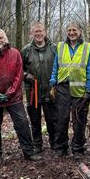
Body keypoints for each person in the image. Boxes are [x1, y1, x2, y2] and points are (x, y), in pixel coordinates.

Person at [0, 28, 42, 169]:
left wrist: (10, 92)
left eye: (1, 38)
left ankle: (28, 152)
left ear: (5, 39)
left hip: (13, 97)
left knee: (23, 123)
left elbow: (19, 75)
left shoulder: (15, 54)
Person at [49, 21, 90, 160]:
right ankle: (61, 147)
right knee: (61, 119)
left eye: (74, 30)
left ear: (80, 31)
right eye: (69, 30)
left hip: (80, 89)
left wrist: (89, 90)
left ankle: (78, 148)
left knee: (79, 120)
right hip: (62, 87)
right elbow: (56, 66)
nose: (71, 33)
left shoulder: (88, 48)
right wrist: (53, 84)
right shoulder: (60, 46)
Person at [21, 22, 58, 154]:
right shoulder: (26, 50)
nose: (38, 34)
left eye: (40, 31)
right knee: (35, 120)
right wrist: (26, 75)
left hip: (50, 90)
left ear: (45, 32)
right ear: (31, 33)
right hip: (33, 91)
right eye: (35, 32)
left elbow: (60, 66)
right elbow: (19, 69)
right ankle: (37, 144)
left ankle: (54, 142)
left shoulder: (54, 48)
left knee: (52, 119)